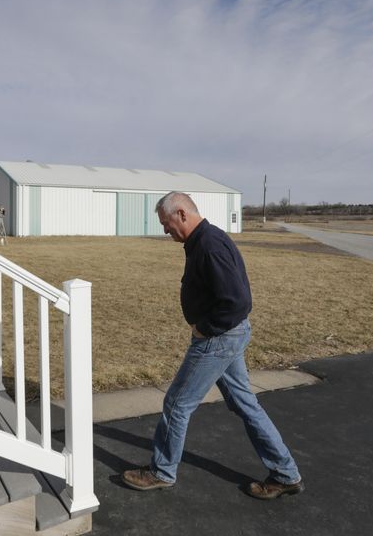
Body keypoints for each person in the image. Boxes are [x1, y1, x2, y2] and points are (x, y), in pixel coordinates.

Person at [121, 191, 303, 499]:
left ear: (182, 213)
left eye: (166, 223)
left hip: (218, 339)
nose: (165, 230)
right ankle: (286, 473)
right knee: (245, 404)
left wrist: (205, 328)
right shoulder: (203, 240)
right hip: (227, 337)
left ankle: (161, 471)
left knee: (177, 404)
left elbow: (237, 301)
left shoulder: (209, 245)